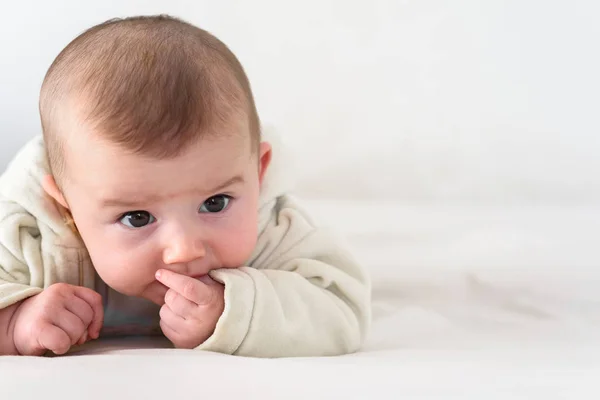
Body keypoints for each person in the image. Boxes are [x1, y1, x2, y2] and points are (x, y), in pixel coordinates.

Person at [0, 14, 371, 357]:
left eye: (215, 203)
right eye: (138, 217)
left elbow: (342, 307)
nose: (184, 250)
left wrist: (235, 312)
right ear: (67, 209)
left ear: (258, 173)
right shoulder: (28, 235)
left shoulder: (272, 228)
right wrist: (15, 320)